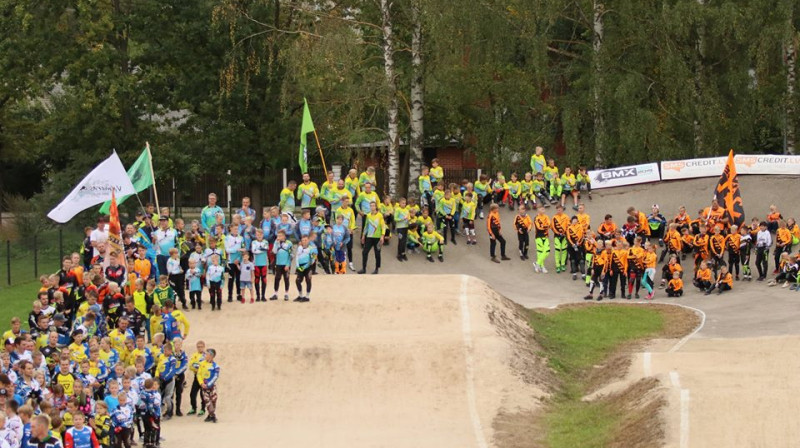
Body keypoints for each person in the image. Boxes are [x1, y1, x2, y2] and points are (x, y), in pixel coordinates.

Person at [358, 202, 385, 275]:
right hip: (369, 237)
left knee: (377, 253)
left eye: (373, 206)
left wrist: (382, 236)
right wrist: (363, 235)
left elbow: (383, 226)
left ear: (376, 207)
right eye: (371, 206)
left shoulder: (380, 216)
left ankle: (377, 269)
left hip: (377, 238)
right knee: (364, 252)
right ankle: (363, 268)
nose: (372, 207)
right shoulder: (368, 216)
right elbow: (366, 226)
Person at [198, 348, 220, 423]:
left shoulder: (216, 366)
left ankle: (210, 415)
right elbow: (199, 374)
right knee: (207, 401)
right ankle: (213, 416)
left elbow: (216, 376)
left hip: (212, 387)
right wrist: (201, 383)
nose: (205, 355)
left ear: (211, 356)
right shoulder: (202, 364)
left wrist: (208, 384)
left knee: (213, 400)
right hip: (204, 387)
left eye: (206, 354)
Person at [224, 224, 244, 303]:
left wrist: (239, 259)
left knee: (238, 279)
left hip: (238, 261)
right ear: (230, 229)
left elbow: (242, 249)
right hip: (231, 261)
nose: (236, 230)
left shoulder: (241, 238)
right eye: (234, 229)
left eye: (237, 228)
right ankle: (230, 295)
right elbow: (227, 250)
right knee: (231, 279)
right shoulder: (227, 238)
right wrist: (236, 249)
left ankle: (238, 294)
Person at [270, 230, 293, 301]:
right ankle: (275, 293)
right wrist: (276, 243)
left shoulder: (289, 243)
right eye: (277, 236)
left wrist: (288, 264)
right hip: (278, 264)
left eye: (280, 236)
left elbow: (291, 255)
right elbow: (274, 251)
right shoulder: (276, 242)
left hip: (286, 264)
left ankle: (286, 294)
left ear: (284, 236)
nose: (278, 237)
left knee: (286, 279)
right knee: (277, 278)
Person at [187, 341, 206, 417]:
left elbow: (206, 366)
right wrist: (198, 367)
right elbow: (191, 365)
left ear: (204, 347)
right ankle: (193, 408)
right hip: (196, 376)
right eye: (198, 347)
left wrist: (198, 366)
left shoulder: (206, 355)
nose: (200, 348)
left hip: (204, 377)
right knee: (192, 394)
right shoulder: (194, 355)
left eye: (201, 346)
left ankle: (203, 409)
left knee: (203, 394)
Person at [294, 236, 314, 302]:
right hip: (300, 267)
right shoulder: (299, 248)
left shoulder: (311, 249)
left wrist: (309, 267)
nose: (304, 242)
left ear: (308, 241)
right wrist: (297, 266)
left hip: (308, 267)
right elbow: (297, 257)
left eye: (305, 240)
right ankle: (300, 295)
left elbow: (313, 260)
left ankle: (307, 296)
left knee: (308, 280)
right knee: (297, 281)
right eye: (303, 240)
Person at [533, 206, 551, 273]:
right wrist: (545, 226)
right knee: (540, 252)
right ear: (538, 210)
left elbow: (549, 224)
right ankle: (542, 266)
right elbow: (539, 227)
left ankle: (537, 263)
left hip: (545, 236)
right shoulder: (536, 218)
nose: (543, 210)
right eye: (542, 209)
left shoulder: (546, 217)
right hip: (538, 236)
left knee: (547, 251)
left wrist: (544, 226)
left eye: (544, 209)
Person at [566, 215, 585, 280]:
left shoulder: (580, 227)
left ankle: (583, 274)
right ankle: (574, 274)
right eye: (574, 220)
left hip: (579, 245)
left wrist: (578, 243)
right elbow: (568, 237)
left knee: (581, 260)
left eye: (576, 220)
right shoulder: (569, 228)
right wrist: (573, 244)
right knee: (573, 260)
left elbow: (582, 236)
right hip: (571, 246)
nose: (575, 221)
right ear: (571, 221)